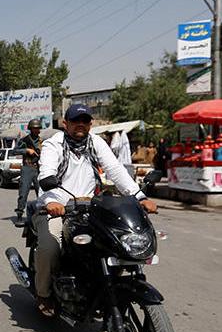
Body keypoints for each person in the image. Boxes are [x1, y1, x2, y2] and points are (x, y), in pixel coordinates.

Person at [33, 104, 158, 317]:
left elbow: (115, 170)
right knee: (49, 247)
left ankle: (102, 285)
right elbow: (47, 172)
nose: (80, 124)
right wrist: (53, 202)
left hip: (89, 207)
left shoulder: (95, 142)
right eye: (75, 120)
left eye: (85, 120)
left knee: (113, 242)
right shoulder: (54, 144)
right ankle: (43, 293)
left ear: (90, 123)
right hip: (56, 207)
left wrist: (139, 197)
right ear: (66, 124)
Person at [13, 119, 42, 227]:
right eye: (35, 128)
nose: (37, 130)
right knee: (23, 192)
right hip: (27, 168)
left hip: (39, 168)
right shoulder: (25, 140)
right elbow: (15, 150)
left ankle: (41, 215)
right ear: (31, 129)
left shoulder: (41, 141)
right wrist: (26, 151)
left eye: (38, 128)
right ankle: (20, 215)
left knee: (42, 193)